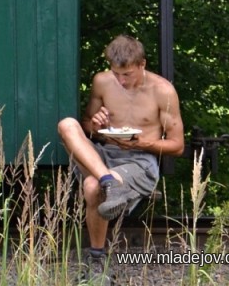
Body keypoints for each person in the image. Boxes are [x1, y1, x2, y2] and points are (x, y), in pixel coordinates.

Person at [58, 35, 184, 279]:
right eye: (116, 73)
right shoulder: (102, 82)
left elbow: (177, 145)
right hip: (103, 154)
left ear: (142, 64)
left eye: (127, 74)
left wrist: (143, 142)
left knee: (92, 186)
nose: (121, 80)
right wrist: (95, 124)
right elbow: (87, 126)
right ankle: (109, 180)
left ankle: (96, 259)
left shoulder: (163, 91)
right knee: (67, 124)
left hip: (139, 159)